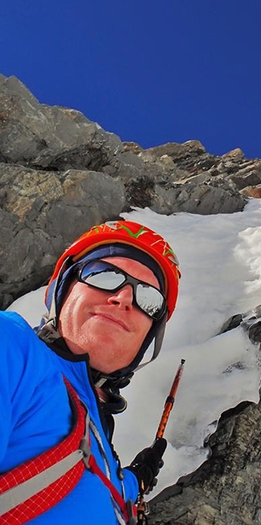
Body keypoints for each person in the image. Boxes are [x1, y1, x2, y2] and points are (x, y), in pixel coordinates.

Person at [0, 219, 181, 524]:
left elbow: (107, 483)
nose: (124, 297)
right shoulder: (12, 347)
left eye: (149, 299)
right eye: (104, 275)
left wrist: (138, 477)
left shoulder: (97, 432)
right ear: (63, 289)